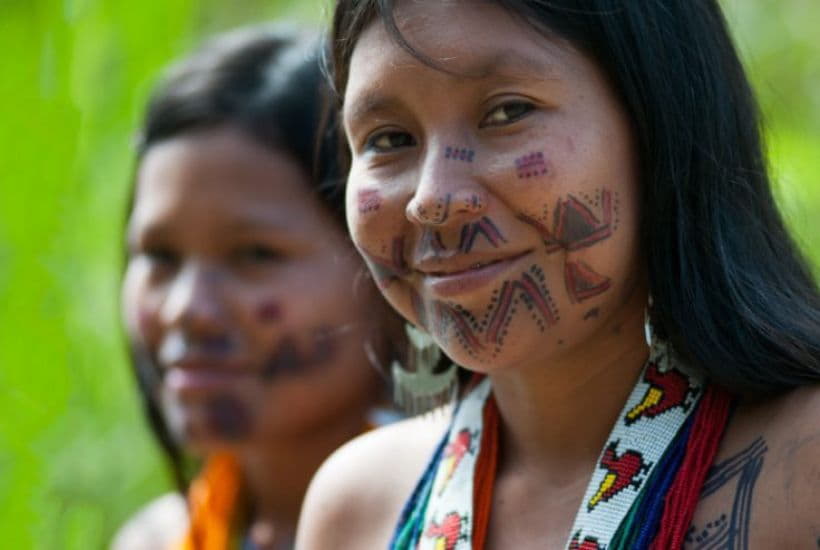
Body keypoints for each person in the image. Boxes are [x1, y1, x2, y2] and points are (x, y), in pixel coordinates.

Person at [296, 1, 820, 549]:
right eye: (389, 140)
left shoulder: (804, 469)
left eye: (507, 112)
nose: (433, 199)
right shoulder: (357, 507)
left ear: (661, 126)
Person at [113, 24, 406, 550]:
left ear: (385, 265)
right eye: (159, 256)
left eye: (255, 254)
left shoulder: (462, 525)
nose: (187, 309)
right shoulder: (159, 539)